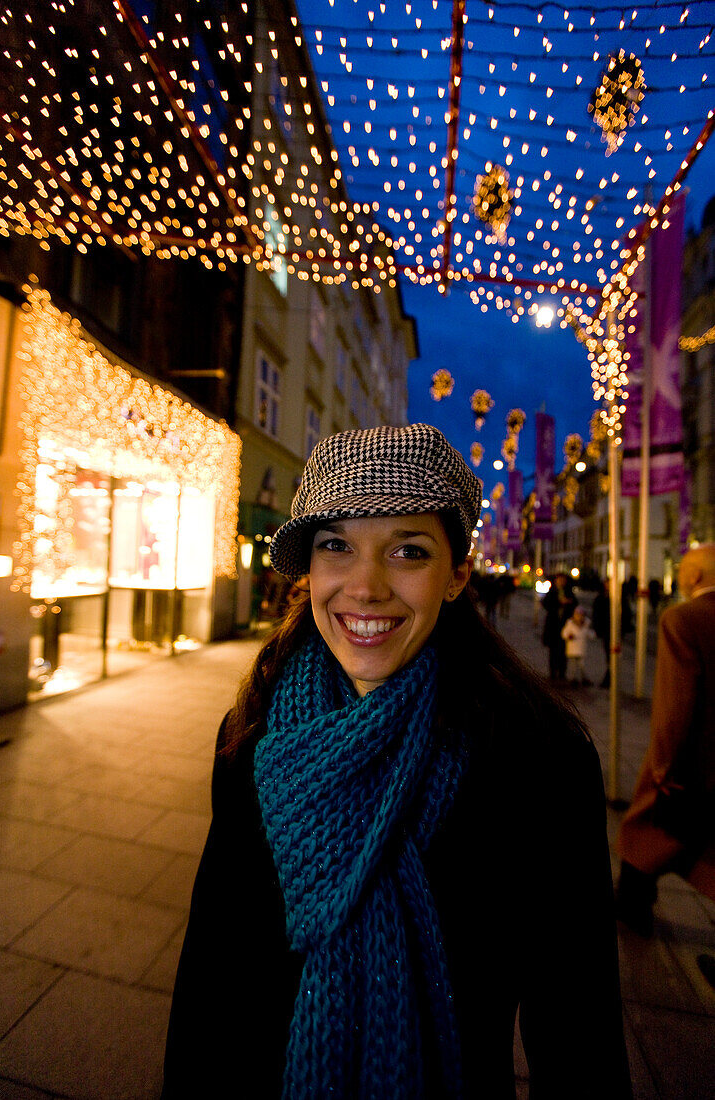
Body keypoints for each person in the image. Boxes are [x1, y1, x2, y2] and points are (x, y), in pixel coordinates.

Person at [162, 424, 632, 1099]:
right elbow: (214, 971)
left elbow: (576, 1028)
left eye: (407, 551)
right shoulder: (254, 732)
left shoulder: (539, 760)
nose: (365, 586)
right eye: (336, 547)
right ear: (309, 570)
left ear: (456, 573)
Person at [616, 544, 715, 939]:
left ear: (692, 577)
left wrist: (662, 768)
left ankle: (631, 909)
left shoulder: (684, 619)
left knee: (644, 834)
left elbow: (676, 702)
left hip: (690, 761)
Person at [592, 578, 633, 689]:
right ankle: (610, 677)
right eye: (607, 583)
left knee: (614, 655)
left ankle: (610, 678)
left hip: (617, 630)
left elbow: (627, 613)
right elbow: (596, 614)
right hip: (606, 630)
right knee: (609, 654)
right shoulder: (601, 597)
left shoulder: (621, 597)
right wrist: (597, 628)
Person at [541, 572, 576, 680]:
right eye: (559, 579)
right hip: (553, 626)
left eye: (563, 579)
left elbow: (575, 605)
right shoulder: (552, 592)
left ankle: (562, 672)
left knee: (563, 651)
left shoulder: (569, 592)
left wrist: (568, 602)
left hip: (565, 626)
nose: (561, 582)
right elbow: (546, 603)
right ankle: (553, 672)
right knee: (553, 651)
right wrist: (558, 602)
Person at [561, 605, 595, 685]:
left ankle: (583, 678)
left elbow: (590, 634)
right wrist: (568, 636)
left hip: (581, 649)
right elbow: (564, 633)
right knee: (572, 666)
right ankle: (573, 679)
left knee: (582, 665)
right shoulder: (570, 624)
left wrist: (593, 634)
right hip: (572, 649)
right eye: (577, 615)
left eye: (580, 615)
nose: (579, 617)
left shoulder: (586, 625)